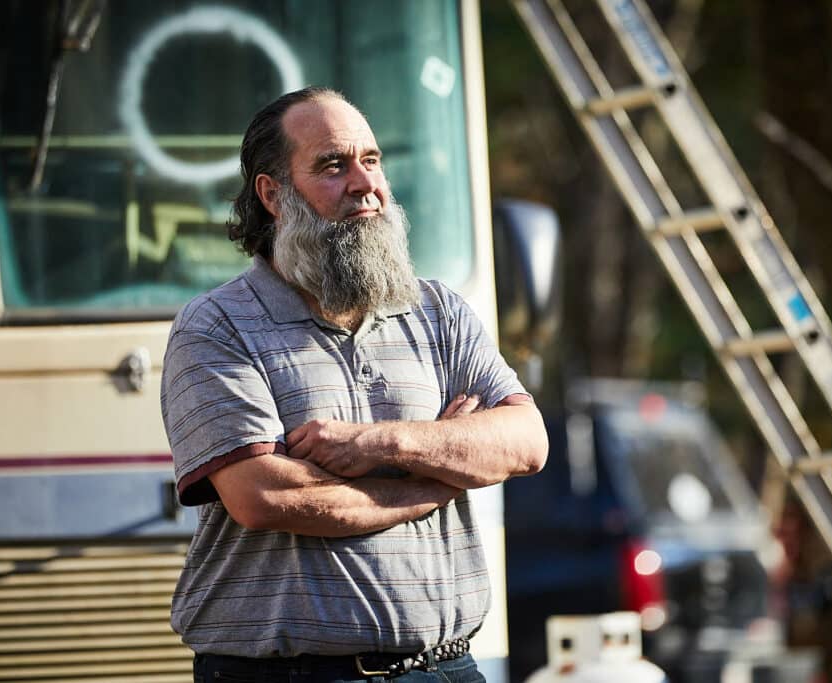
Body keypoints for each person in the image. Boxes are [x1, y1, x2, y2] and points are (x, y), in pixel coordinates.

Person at [160, 86, 549, 683]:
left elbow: (526, 441)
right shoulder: (216, 326)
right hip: (288, 674)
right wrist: (434, 483)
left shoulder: (438, 310)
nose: (365, 184)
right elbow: (265, 498)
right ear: (273, 195)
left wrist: (384, 444)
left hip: (448, 666)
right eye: (333, 166)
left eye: (371, 160)